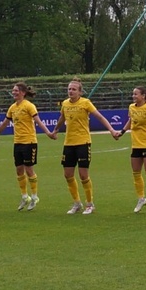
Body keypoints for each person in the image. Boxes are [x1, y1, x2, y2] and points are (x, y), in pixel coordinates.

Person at [46, 79, 116, 215]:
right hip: (68, 143)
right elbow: (62, 118)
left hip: (83, 142)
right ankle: (77, 203)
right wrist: (55, 130)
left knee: (83, 175)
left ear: (80, 92)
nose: (71, 91)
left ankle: (89, 204)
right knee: (68, 174)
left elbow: (100, 117)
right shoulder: (65, 104)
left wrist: (111, 130)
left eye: (74, 89)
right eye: (69, 89)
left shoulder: (85, 103)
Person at [0, 82, 43, 210]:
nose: (14, 92)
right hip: (17, 143)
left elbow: (38, 121)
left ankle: (34, 196)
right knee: (19, 170)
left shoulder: (29, 106)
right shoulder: (12, 108)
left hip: (29, 142)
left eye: (16, 90)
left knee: (29, 170)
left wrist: (49, 133)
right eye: (13, 90)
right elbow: (4, 123)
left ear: (23, 93)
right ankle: (24, 196)